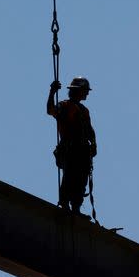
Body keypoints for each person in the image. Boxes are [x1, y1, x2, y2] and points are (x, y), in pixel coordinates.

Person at [46, 76, 97, 214]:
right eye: (85, 90)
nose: (87, 93)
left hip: (83, 152)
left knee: (81, 181)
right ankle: (65, 203)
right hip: (70, 150)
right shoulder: (65, 106)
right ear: (78, 91)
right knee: (70, 177)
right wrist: (52, 91)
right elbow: (50, 110)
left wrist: (93, 144)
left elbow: (90, 130)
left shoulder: (84, 110)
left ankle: (76, 208)